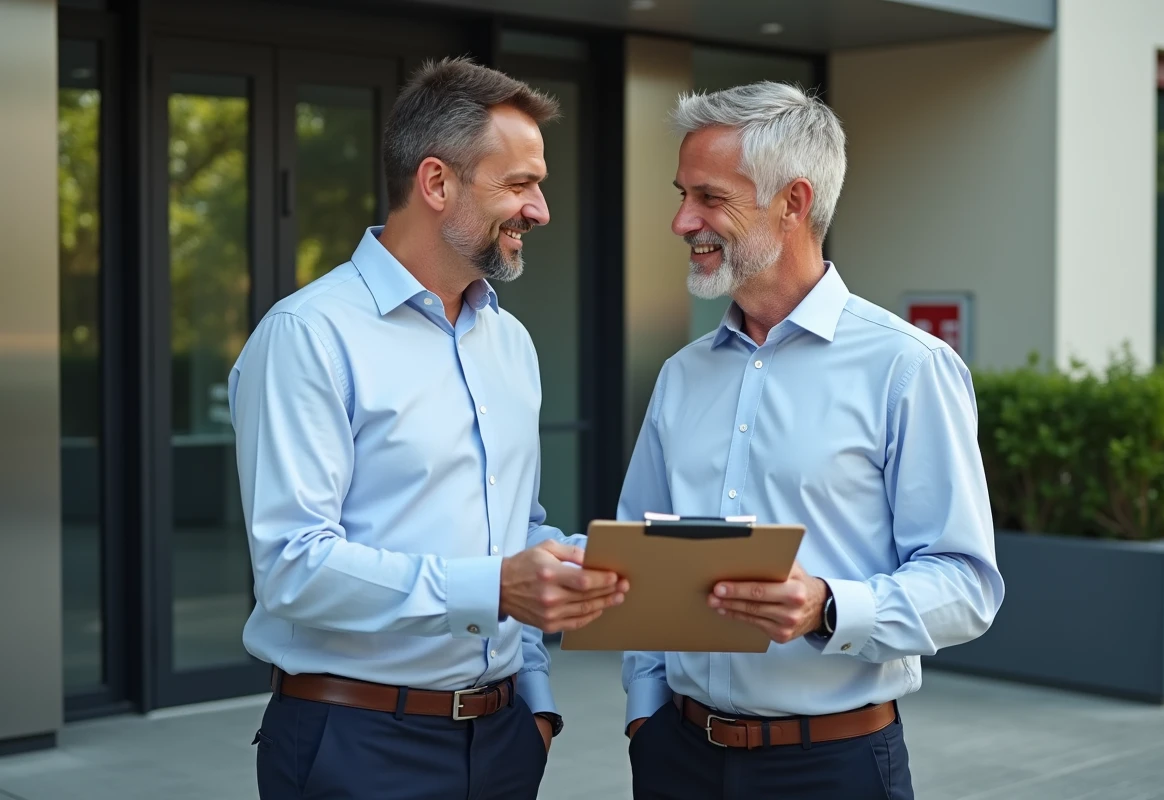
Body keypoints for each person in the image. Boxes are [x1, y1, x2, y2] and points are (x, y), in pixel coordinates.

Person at [228, 57, 627, 800]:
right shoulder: (309, 336)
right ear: (437, 183)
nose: (540, 210)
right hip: (356, 747)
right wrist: (497, 587)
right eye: (519, 184)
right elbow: (292, 567)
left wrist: (537, 701)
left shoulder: (510, 342)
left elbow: (516, 530)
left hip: (503, 741)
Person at [618, 81, 1005, 799]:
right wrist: (646, 717)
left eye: (709, 197)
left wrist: (828, 605)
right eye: (682, 195)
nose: (681, 221)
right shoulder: (681, 376)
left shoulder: (907, 367)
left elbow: (966, 584)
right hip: (679, 758)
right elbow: (642, 560)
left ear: (793, 202)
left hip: (832, 768)